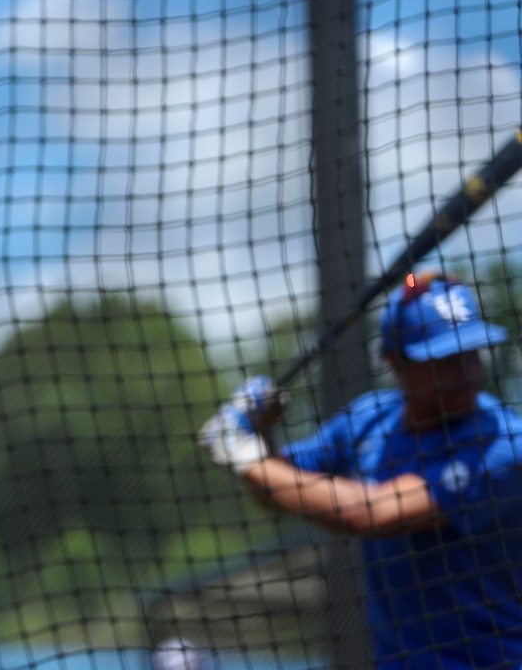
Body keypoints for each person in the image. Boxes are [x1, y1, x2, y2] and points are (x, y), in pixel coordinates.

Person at [198, 270, 522, 669]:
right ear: (395, 362)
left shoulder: (504, 445)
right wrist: (262, 435)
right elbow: (279, 491)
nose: (466, 372)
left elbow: (369, 512)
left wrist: (243, 455)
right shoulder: (369, 418)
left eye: (470, 353)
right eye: (444, 359)